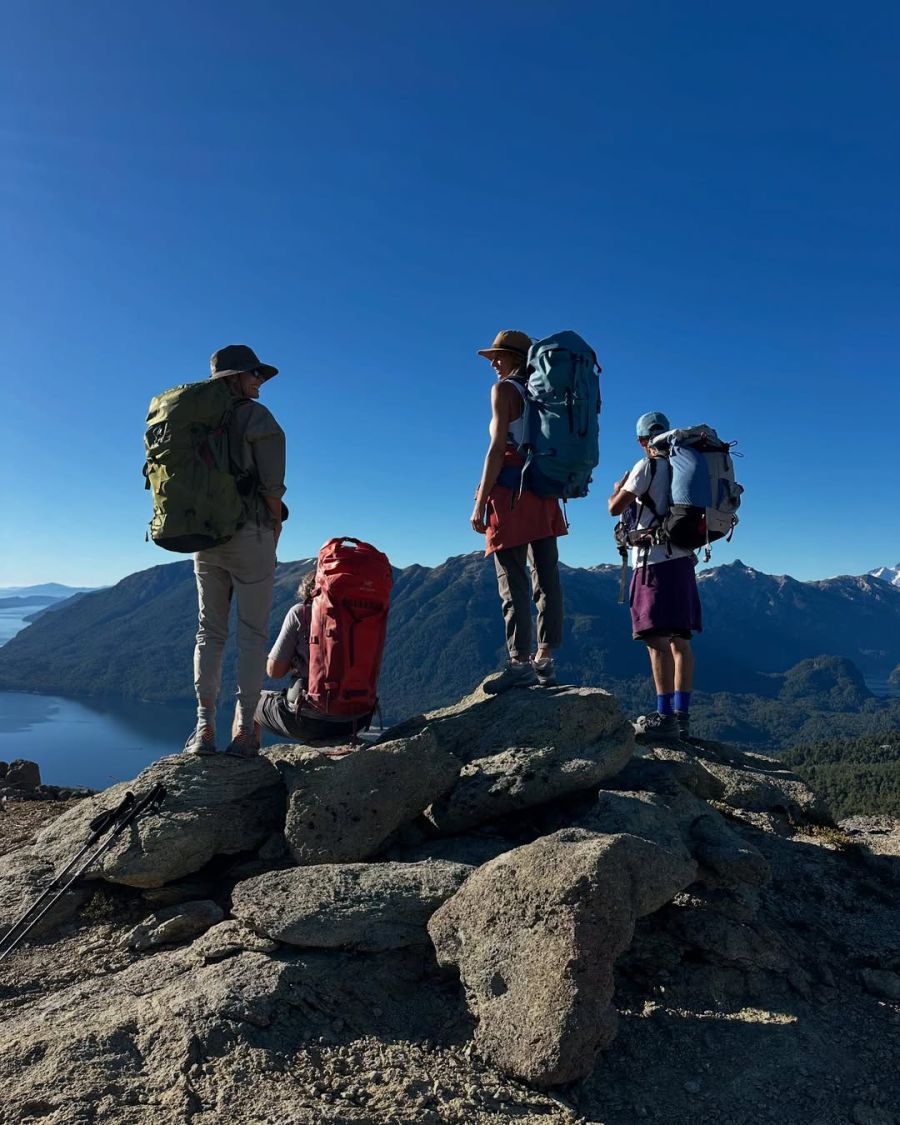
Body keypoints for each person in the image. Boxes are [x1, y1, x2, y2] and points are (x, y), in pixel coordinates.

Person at [185, 344, 287, 758]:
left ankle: (204, 728)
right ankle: (245, 729)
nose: (260, 382)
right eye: (254, 375)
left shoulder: (192, 420)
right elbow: (271, 487)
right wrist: (274, 524)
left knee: (209, 632)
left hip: (204, 538)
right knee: (252, 636)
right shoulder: (257, 418)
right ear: (236, 378)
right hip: (250, 534)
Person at [471, 330, 567, 693]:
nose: (494, 364)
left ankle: (520, 662)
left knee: (511, 579)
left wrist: (480, 501)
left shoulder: (504, 391)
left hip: (510, 493)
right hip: (544, 490)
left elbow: (497, 449)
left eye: (499, 356)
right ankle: (546, 660)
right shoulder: (546, 394)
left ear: (517, 359)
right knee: (547, 577)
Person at [607, 411, 702, 740]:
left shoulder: (646, 466)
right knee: (681, 641)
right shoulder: (685, 467)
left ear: (643, 441)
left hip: (652, 564)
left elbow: (615, 508)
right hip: (684, 561)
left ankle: (663, 717)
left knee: (656, 642)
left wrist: (617, 489)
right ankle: (682, 716)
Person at [255, 573, 373, 742]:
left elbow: (274, 671)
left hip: (308, 720)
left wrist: (294, 662)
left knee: (247, 701)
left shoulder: (301, 612)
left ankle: (246, 756)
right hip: (356, 719)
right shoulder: (362, 614)